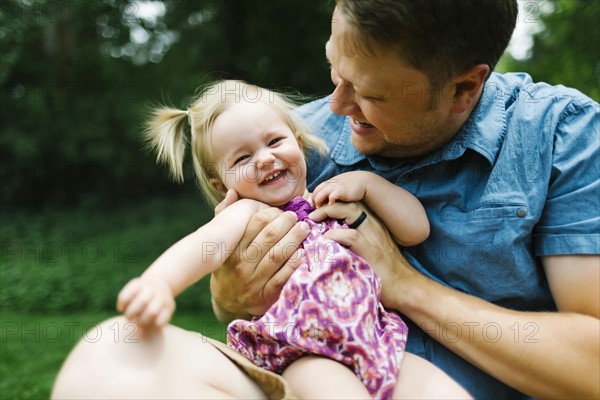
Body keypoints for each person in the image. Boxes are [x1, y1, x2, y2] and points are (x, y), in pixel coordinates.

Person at [52, 0, 599, 398]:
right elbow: (225, 273)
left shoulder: (560, 136)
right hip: (309, 359)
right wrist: (229, 290)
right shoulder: (290, 141)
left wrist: (408, 287)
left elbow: (592, 365)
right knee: (111, 355)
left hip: (412, 367)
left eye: (368, 93)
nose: (334, 106)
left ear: (463, 88)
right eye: (335, 71)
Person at [53, 80, 470, 399]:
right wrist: (159, 284)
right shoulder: (248, 216)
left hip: (381, 341)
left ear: (299, 142)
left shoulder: (336, 194)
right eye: (242, 157)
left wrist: (370, 184)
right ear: (222, 182)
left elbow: (416, 229)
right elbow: (204, 245)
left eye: (274, 141)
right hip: (306, 356)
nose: (265, 158)